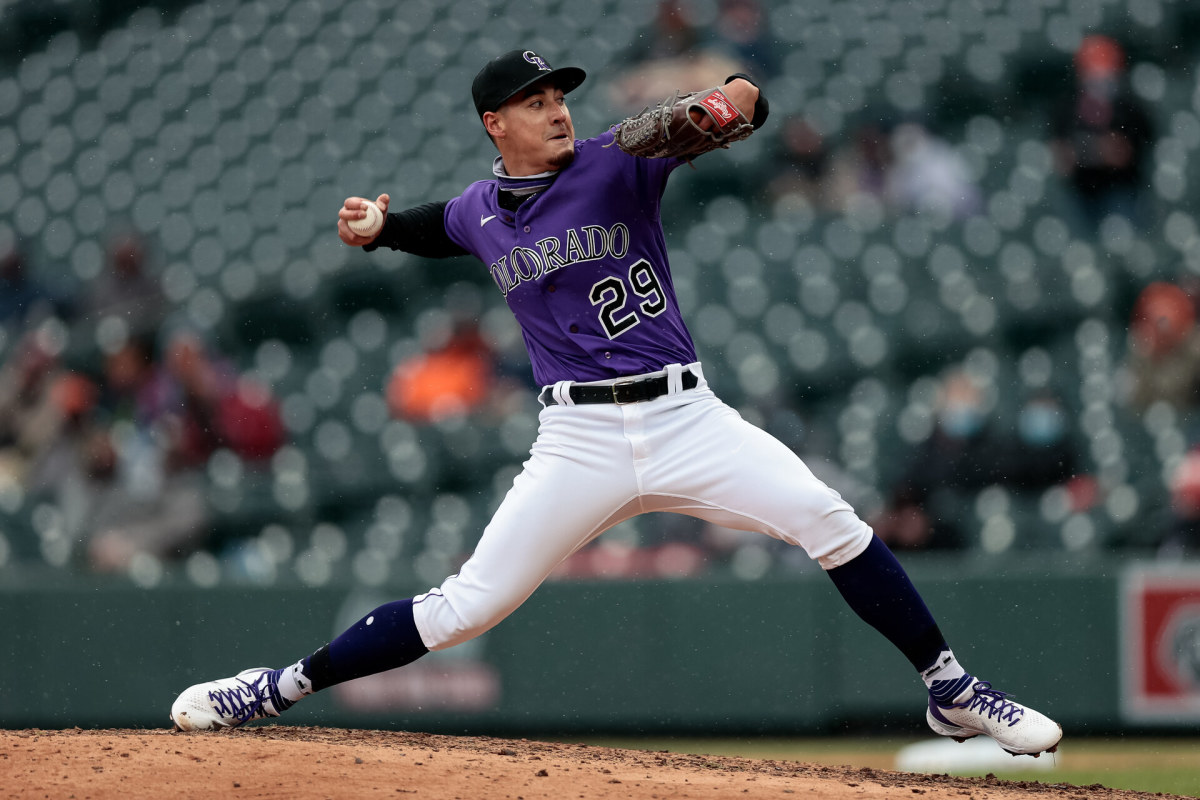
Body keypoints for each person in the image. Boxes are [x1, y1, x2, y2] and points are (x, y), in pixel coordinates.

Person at [169, 49, 1062, 756]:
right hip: (577, 438)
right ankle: (275, 686)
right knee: (463, 609)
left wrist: (728, 103)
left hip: (686, 418)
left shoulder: (618, 159)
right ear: (496, 123)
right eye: (534, 100)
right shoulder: (481, 209)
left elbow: (745, 102)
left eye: (559, 94)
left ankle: (949, 688)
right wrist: (376, 232)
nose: (557, 107)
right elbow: (434, 226)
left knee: (833, 522)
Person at [1049, 35, 1156, 234]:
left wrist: (1089, 150)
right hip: (1082, 195)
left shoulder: (1130, 107)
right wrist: (1098, 150)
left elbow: (1123, 153)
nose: (1099, 77)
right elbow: (1061, 156)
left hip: (1123, 192)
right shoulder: (1067, 106)